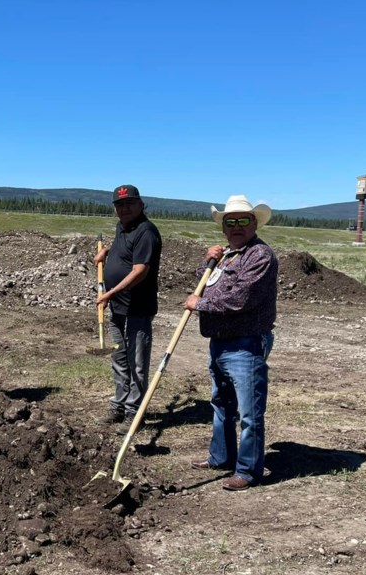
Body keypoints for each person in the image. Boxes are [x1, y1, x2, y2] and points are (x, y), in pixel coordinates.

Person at [184, 195, 279, 492]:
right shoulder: (227, 254)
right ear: (224, 227)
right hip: (220, 342)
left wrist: (199, 304)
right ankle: (221, 456)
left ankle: (248, 471)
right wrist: (208, 260)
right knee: (221, 404)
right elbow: (205, 280)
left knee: (249, 412)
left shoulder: (260, 255)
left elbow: (239, 299)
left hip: (246, 343)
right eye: (231, 222)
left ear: (254, 223)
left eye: (242, 221)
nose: (236, 227)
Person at [93, 184, 162, 434]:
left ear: (141, 204)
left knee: (137, 362)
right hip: (118, 308)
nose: (125, 208)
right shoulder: (122, 227)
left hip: (138, 309)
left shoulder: (147, 231)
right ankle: (119, 405)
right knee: (119, 358)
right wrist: (107, 252)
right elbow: (126, 251)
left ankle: (135, 412)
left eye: (130, 203)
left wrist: (109, 292)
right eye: (120, 205)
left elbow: (139, 271)